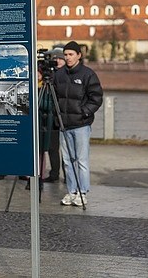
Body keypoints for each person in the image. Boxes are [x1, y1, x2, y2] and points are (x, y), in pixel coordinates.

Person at [53, 41, 103, 207]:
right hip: (64, 125)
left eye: (71, 54)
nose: (67, 58)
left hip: (81, 125)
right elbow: (54, 98)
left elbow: (96, 98)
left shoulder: (88, 74)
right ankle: (71, 191)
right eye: (65, 55)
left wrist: (84, 112)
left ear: (79, 56)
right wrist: (57, 116)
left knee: (81, 160)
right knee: (67, 160)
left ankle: (83, 192)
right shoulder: (58, 75)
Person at [42, 47, 65, 183]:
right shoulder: (50, 77)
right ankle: (54, 174)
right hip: (52, 118)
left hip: (65, 116)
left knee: (67, 151)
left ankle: (69, 176)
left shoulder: (66, 75)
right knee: (52, 148)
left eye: (59, 58)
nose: (56, 61)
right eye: (54, 59)